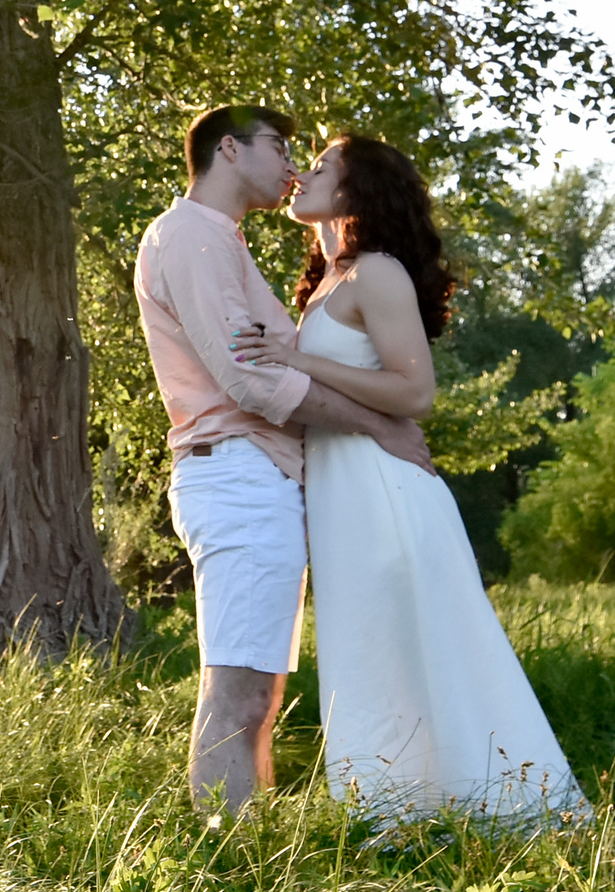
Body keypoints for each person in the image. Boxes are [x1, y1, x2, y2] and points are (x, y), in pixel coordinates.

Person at [244, 133, 587, 825]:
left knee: (431, 644)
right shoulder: (331, 279)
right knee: (370, 651)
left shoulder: (379, 272)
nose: (299, 178)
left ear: (356, 190)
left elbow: (415, 393)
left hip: (385, 492)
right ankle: (397, 815)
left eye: (319, 168)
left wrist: (296, 358)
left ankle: (509, 806)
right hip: (344, 496)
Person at [133, 105, 435, 821]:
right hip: (235, 473)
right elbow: (251, 383)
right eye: (278, 147)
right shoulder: (191, 240)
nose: (290, 163)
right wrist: (377, 425)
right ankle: (228, 858)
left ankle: (244, 849)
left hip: (261, 476)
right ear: (230, 151)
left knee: (258, 693)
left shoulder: (223, 244)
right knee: (237, 691)